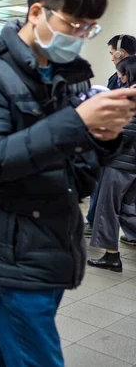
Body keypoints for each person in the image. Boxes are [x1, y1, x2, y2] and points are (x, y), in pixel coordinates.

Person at [0, 0, 136, 367]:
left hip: (55, 235)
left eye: (89, 28)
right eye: (73, 24)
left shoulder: (66, 77)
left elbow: (78, 170)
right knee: (35, 352)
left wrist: (102, 138)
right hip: (10, 242)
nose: (79, 37)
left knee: (5, 341)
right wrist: (77, 123)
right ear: (37, 12)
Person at [87, 56, 136, 272]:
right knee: (127, 208)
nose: (119, 76)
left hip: (119, 163)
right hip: (131, 164)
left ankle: (111, 257)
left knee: (107, 208)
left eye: (121, 72)